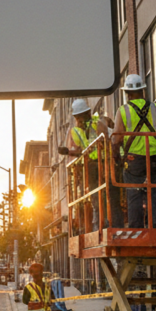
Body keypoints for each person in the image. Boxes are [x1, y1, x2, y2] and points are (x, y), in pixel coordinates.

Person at [111, 74, 156, 228]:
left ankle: (136, 228)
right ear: (143, 91)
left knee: (134, 195)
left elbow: (117, 139)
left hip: (134, 160)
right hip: (155, 159)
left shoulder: (123, 111)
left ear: (127, 94)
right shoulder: (155, 107)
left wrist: (114, 153)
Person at [67, 98, 104, 230]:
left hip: (94, 166)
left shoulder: (94, 124)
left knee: (96, 199)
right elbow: (80, 150)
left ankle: (98, 227)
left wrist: (69, 152)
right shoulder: (94, 124)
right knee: (99, 198)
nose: (79, 121)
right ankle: (99, 225)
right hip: (100, 164)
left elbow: (78, 151)